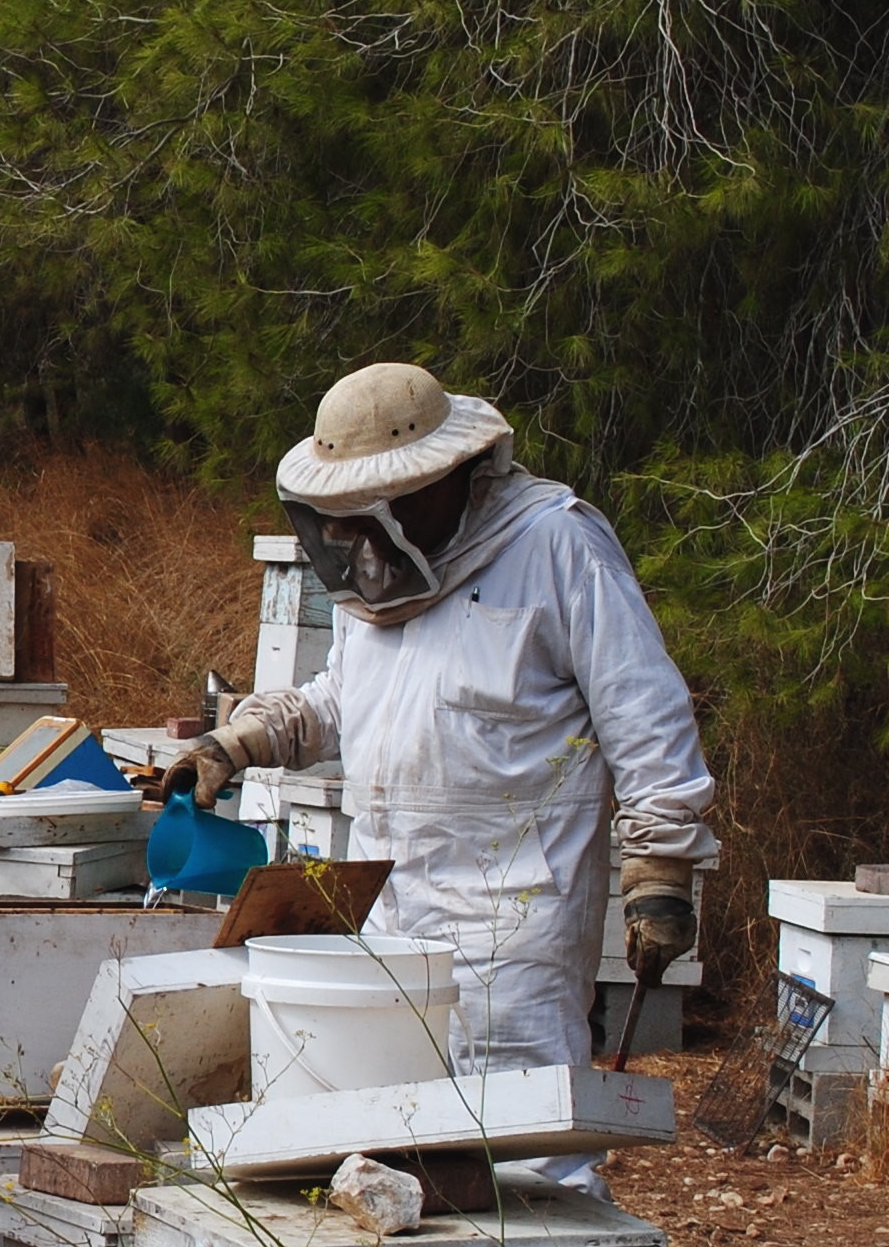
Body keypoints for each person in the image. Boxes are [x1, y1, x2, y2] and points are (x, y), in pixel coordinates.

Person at [159, 364, 718, 1168]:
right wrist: (240, 741)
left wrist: (661, 866)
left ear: (432, 484)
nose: (352, 537)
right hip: (391, 906)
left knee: (525, 1149)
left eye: (366, 511)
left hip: (514, 924)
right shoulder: (381, 583)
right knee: (385, 1142)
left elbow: (645, 712)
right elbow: (338, 700)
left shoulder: (556, 543)